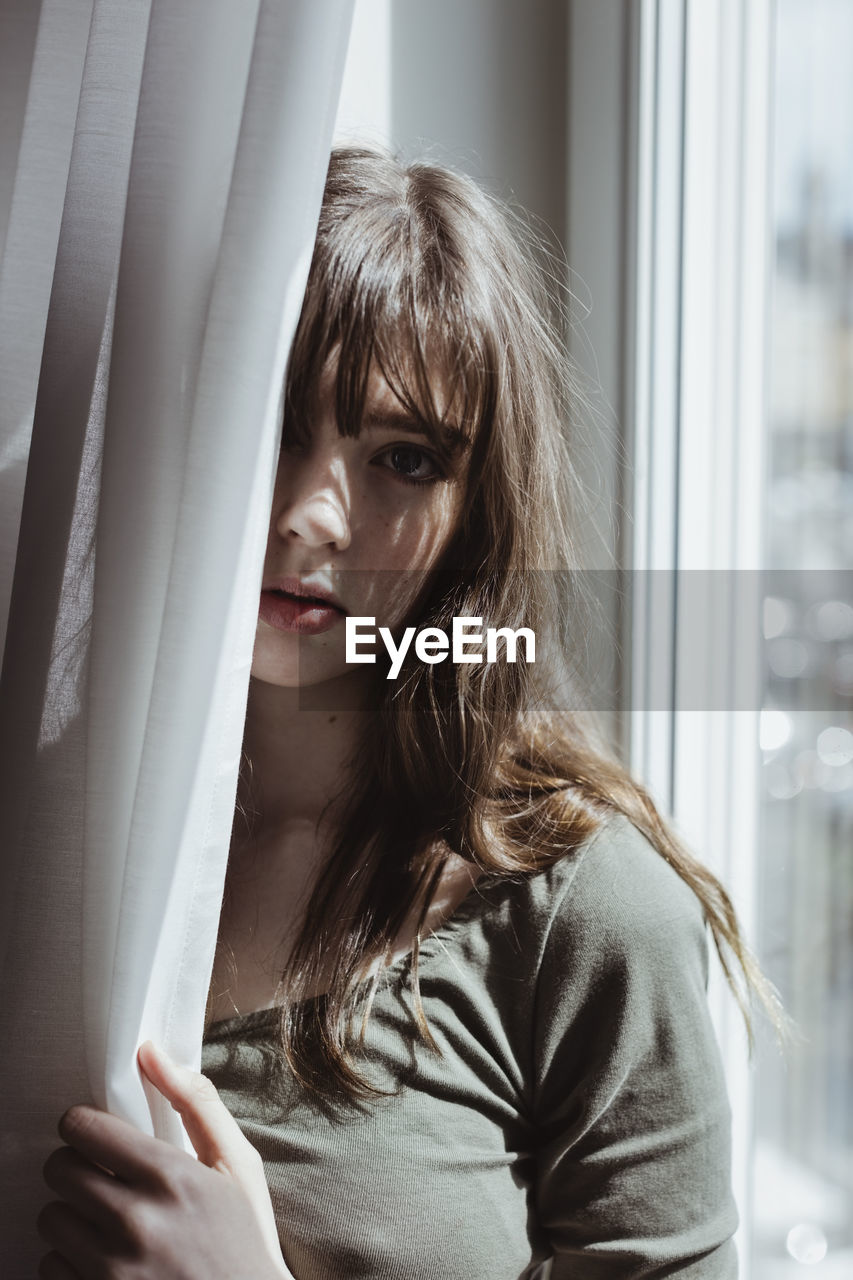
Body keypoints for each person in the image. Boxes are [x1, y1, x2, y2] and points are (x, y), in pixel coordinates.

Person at [37, 146, 774, 1280]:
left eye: (404, 458)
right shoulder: (54, 818)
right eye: (278, 424)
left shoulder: (584, 913)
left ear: (475, 516)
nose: (310, 514)